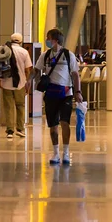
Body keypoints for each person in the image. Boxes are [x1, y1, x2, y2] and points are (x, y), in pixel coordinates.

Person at [34, 29, 83, 165]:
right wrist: (29, 80)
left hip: (66, 94)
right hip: (50, 94)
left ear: (55, 40)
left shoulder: (69, 55)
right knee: (53, 125)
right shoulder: (45, 55)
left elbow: (75, 74)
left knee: (64, 122)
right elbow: (36, 70)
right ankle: (55, 153)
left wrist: (78, 92)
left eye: (48, 38)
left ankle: (66, 152)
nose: (47, 40)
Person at [0, 33, 33, 139]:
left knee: (8, 107)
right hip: (20, 83)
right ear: (21, 41)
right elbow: (28, 69)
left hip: (6, 83)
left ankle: (10, 131)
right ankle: (20, 129)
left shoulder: (4, 50)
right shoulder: (24, 52)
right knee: (20, 106)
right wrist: (27, 81)